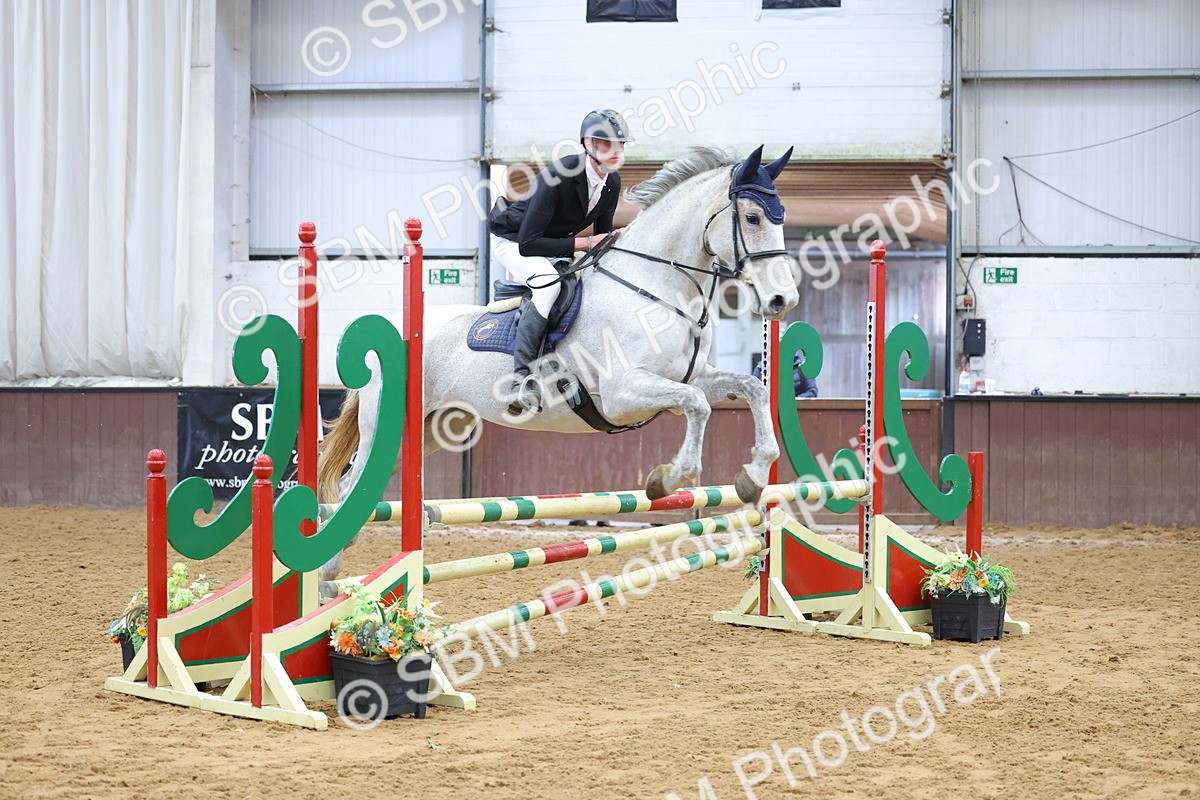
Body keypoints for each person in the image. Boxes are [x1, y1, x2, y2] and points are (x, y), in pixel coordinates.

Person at [486, 109, 630, 414]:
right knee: (549, 284)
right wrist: (586, 243)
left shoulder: (612, 182)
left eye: (620, 144)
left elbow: (602, 235)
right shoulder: (560, 175)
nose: (615, 151)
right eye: (607, 143)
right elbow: (529, 244)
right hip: (514, 241)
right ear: (588, 144)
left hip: (552, 242)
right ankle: (520, 380)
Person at [753, 351, 819, 398]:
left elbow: (812, 391)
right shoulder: (761, 368)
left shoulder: (802, 366)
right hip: (767, 410)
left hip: (794, 411)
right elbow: (753, 393)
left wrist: (794, 402)